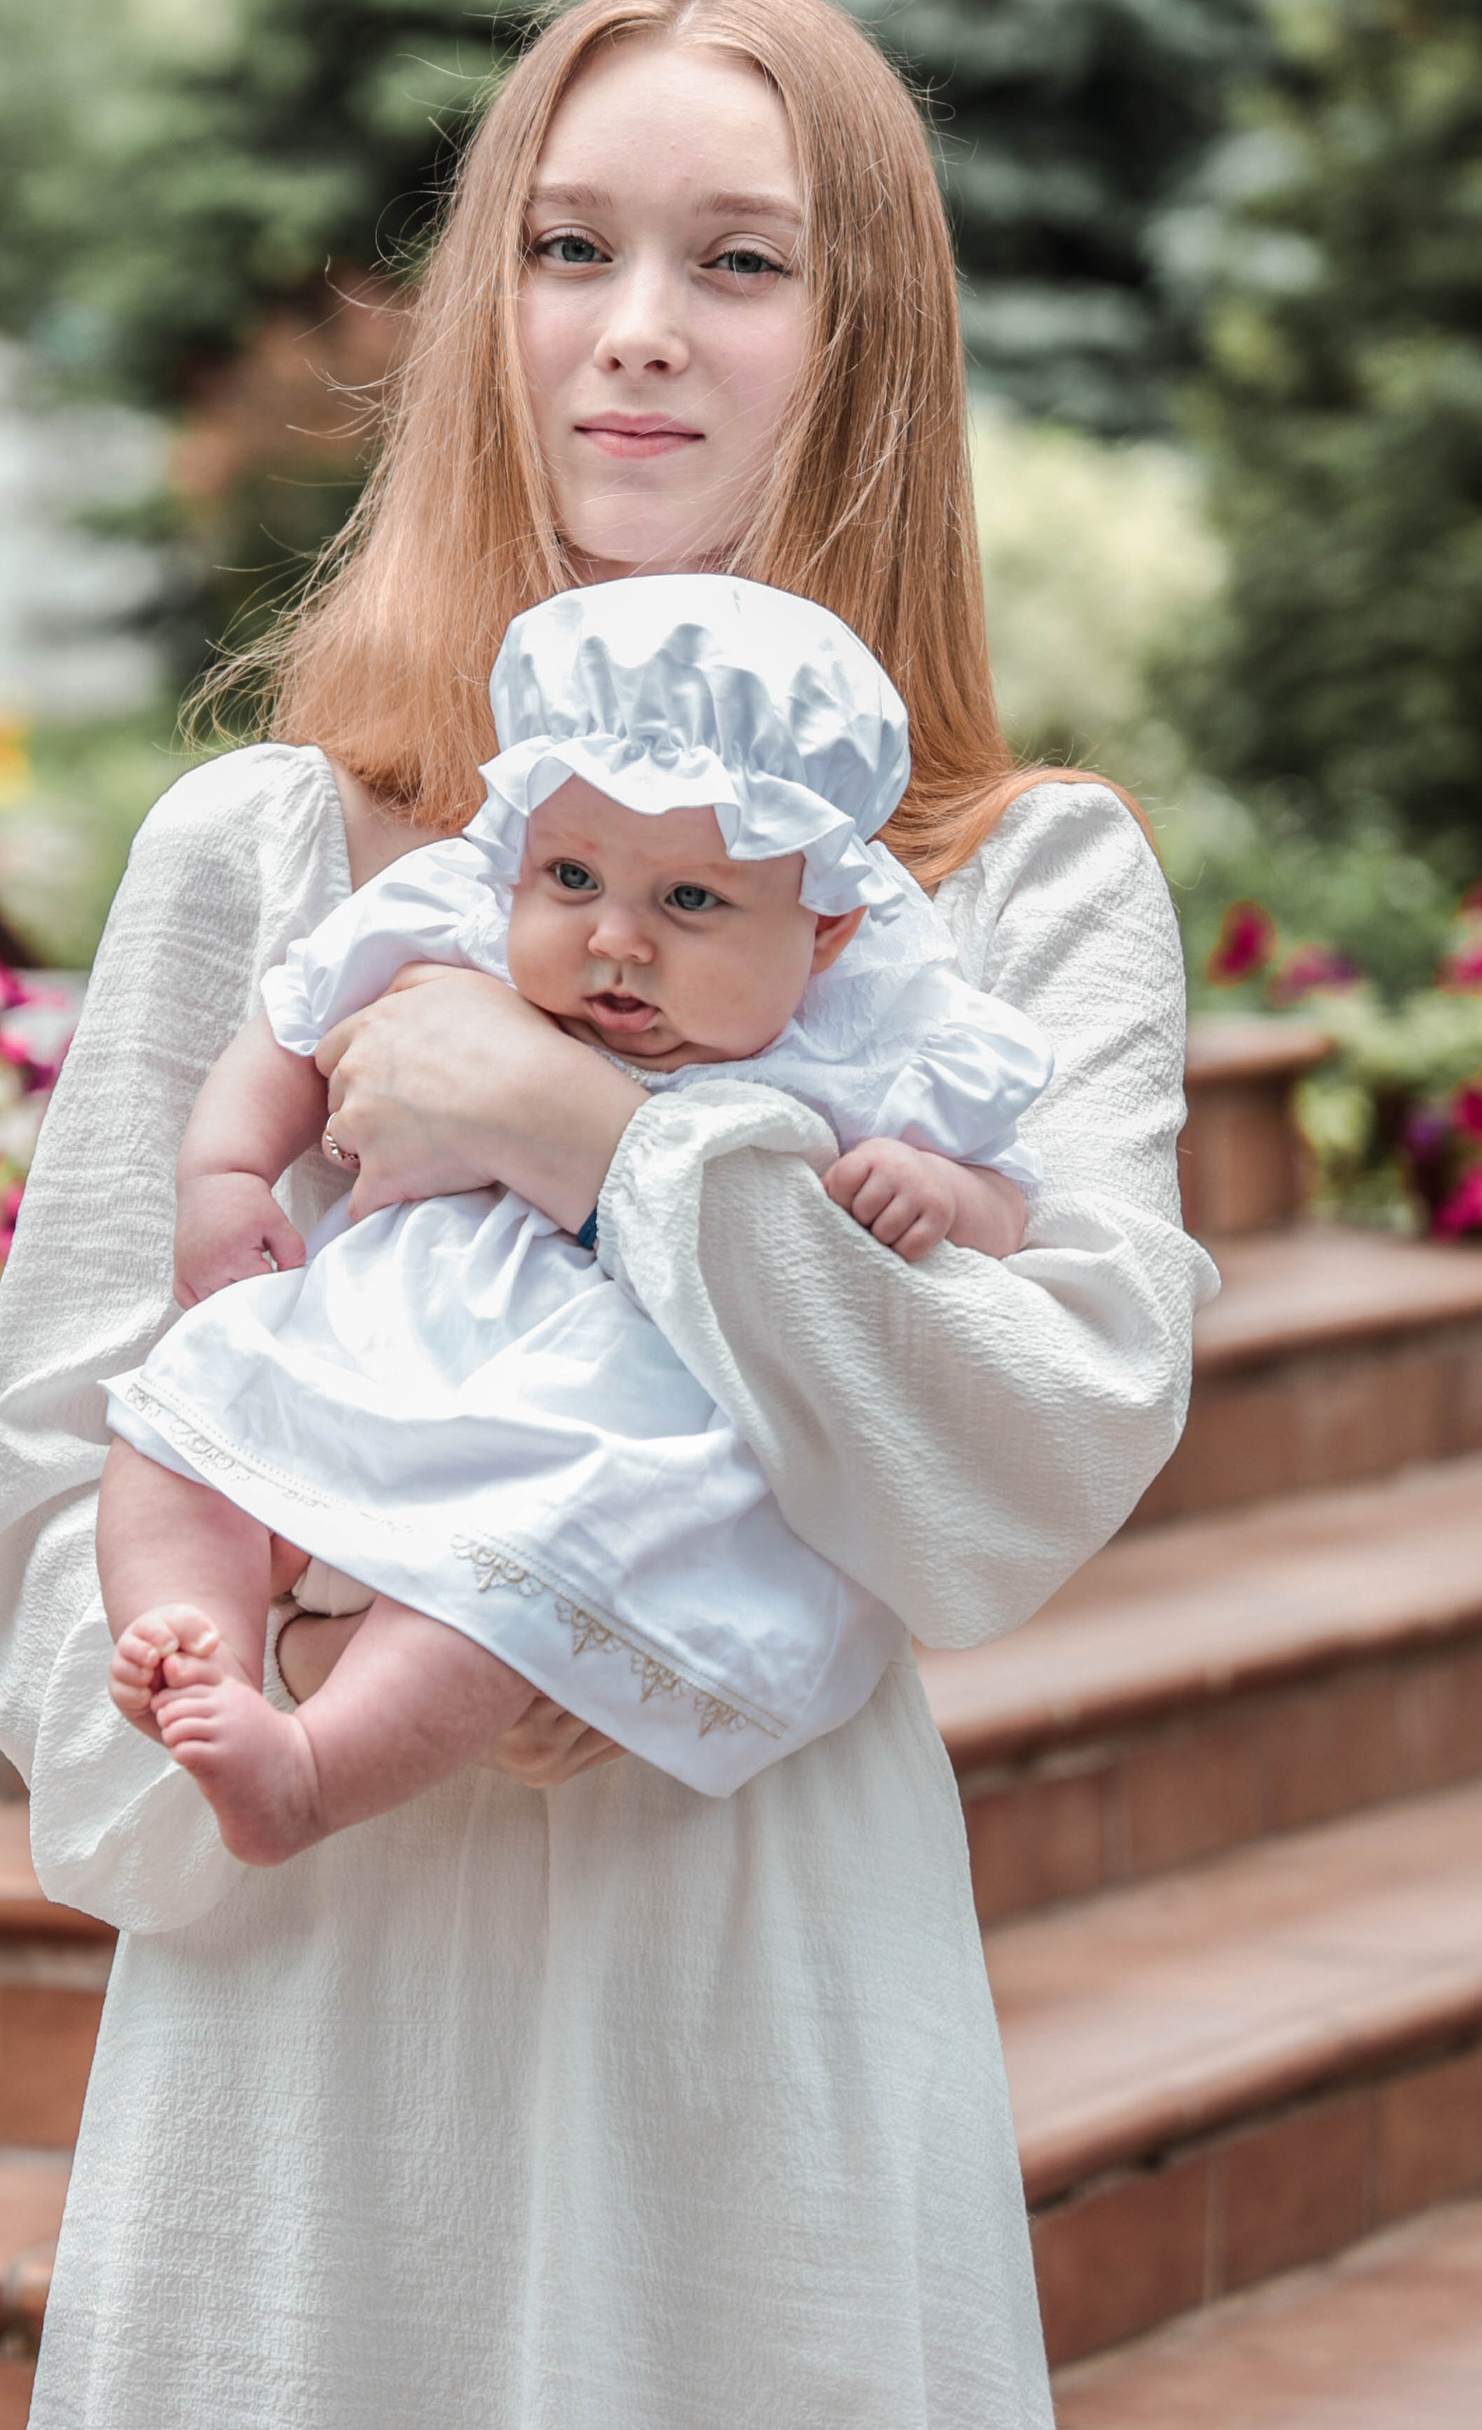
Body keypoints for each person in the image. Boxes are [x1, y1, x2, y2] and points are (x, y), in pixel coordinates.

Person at [0, 0, 1214, 2430]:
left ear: (860, 344)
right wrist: (284, 1685)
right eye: (571, 246)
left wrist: (602, 1136)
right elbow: (66, 1468)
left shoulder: (1016, 897)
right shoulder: (274, 862)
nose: (636, 327)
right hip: (320, 2000)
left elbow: (1021, 1458)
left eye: (739, 262)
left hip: (739, 1960)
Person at [100, 573, 1049, 1863]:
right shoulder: (464, 917)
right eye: (572, 874)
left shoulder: (876, 1018)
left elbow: (1005, 1204)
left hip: (598, 1420)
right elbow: (295, 1020)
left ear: (824, 928)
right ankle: (189, 1641)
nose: (615, 940)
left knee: (522, 1572)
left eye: (691, 902)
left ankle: (311, 1773)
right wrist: (221, 1178)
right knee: (187, 1416)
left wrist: (947, 1195)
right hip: (386, 1332)